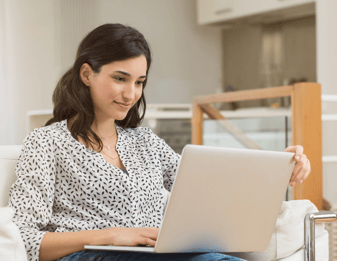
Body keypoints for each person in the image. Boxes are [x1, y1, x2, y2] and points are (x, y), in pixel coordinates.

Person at [8, 23, 311, 261]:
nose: (131, 94)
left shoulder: (145, 143)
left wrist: (282, 165)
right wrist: (111, 235)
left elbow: (214, 186)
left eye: (139, 82)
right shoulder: (46, 142)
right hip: (90, 255)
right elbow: (26, 238)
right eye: (120, 78)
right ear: (87, 74)